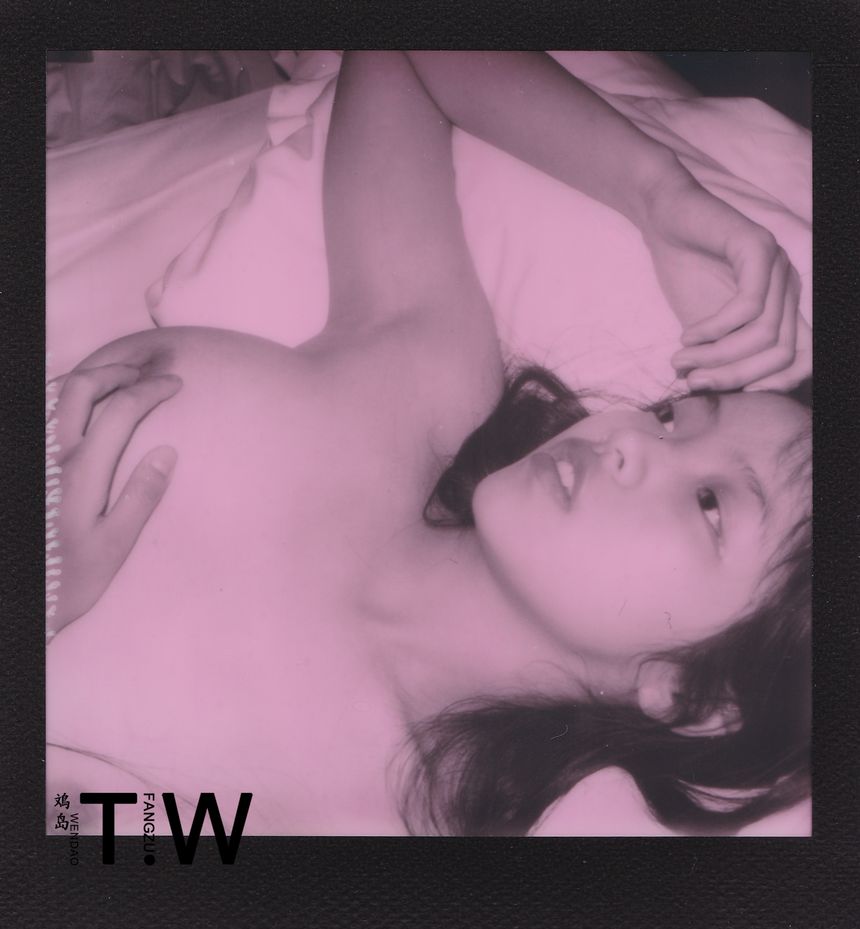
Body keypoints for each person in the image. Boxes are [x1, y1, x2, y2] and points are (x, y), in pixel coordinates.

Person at [46, 52, 811, 836]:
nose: (630, 441)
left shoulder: (332, 813)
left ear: (693, 698)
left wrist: (55, 613)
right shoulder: (423, 383)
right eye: (674, 417)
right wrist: (660, 197)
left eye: (710, 503)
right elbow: (402, 56)